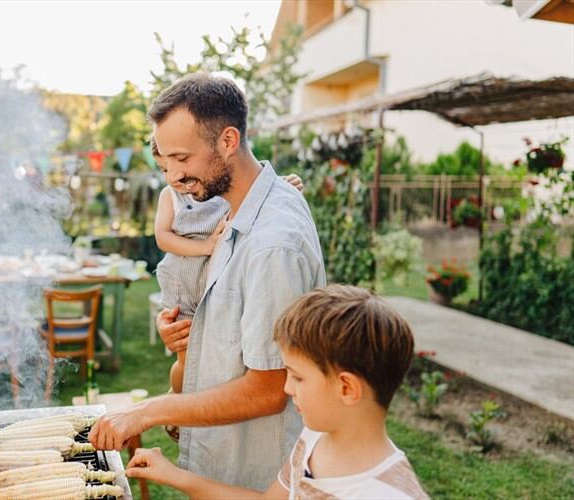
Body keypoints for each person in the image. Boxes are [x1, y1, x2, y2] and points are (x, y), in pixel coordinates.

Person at [89, 73, 326, 490]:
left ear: (228, 141)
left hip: (254, 474)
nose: (173, 177)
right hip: (223, 462)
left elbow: (268, 389)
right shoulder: (236, 208)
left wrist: (151, 411)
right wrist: (189, 333)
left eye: (183, 159)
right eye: (166, 162)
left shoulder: (273, 244)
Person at [125, 285, 429, 500]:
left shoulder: (389, 493)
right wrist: (174, 475)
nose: (286, 388)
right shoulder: (313, 440)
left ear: (347, 388)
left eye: (297, 377)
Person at [151, 137, 303, 425]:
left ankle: (192, 409)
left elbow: (251, 189)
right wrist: (205, 247)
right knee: (187, 358)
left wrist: (283, 183)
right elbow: (163, 237)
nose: (173, 177)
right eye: (163, 169)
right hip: (185, 279)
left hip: (214, 275)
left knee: (213, 358)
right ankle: (176, 399)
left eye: (180, 161)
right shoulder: (169, 196)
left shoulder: (212, 188)